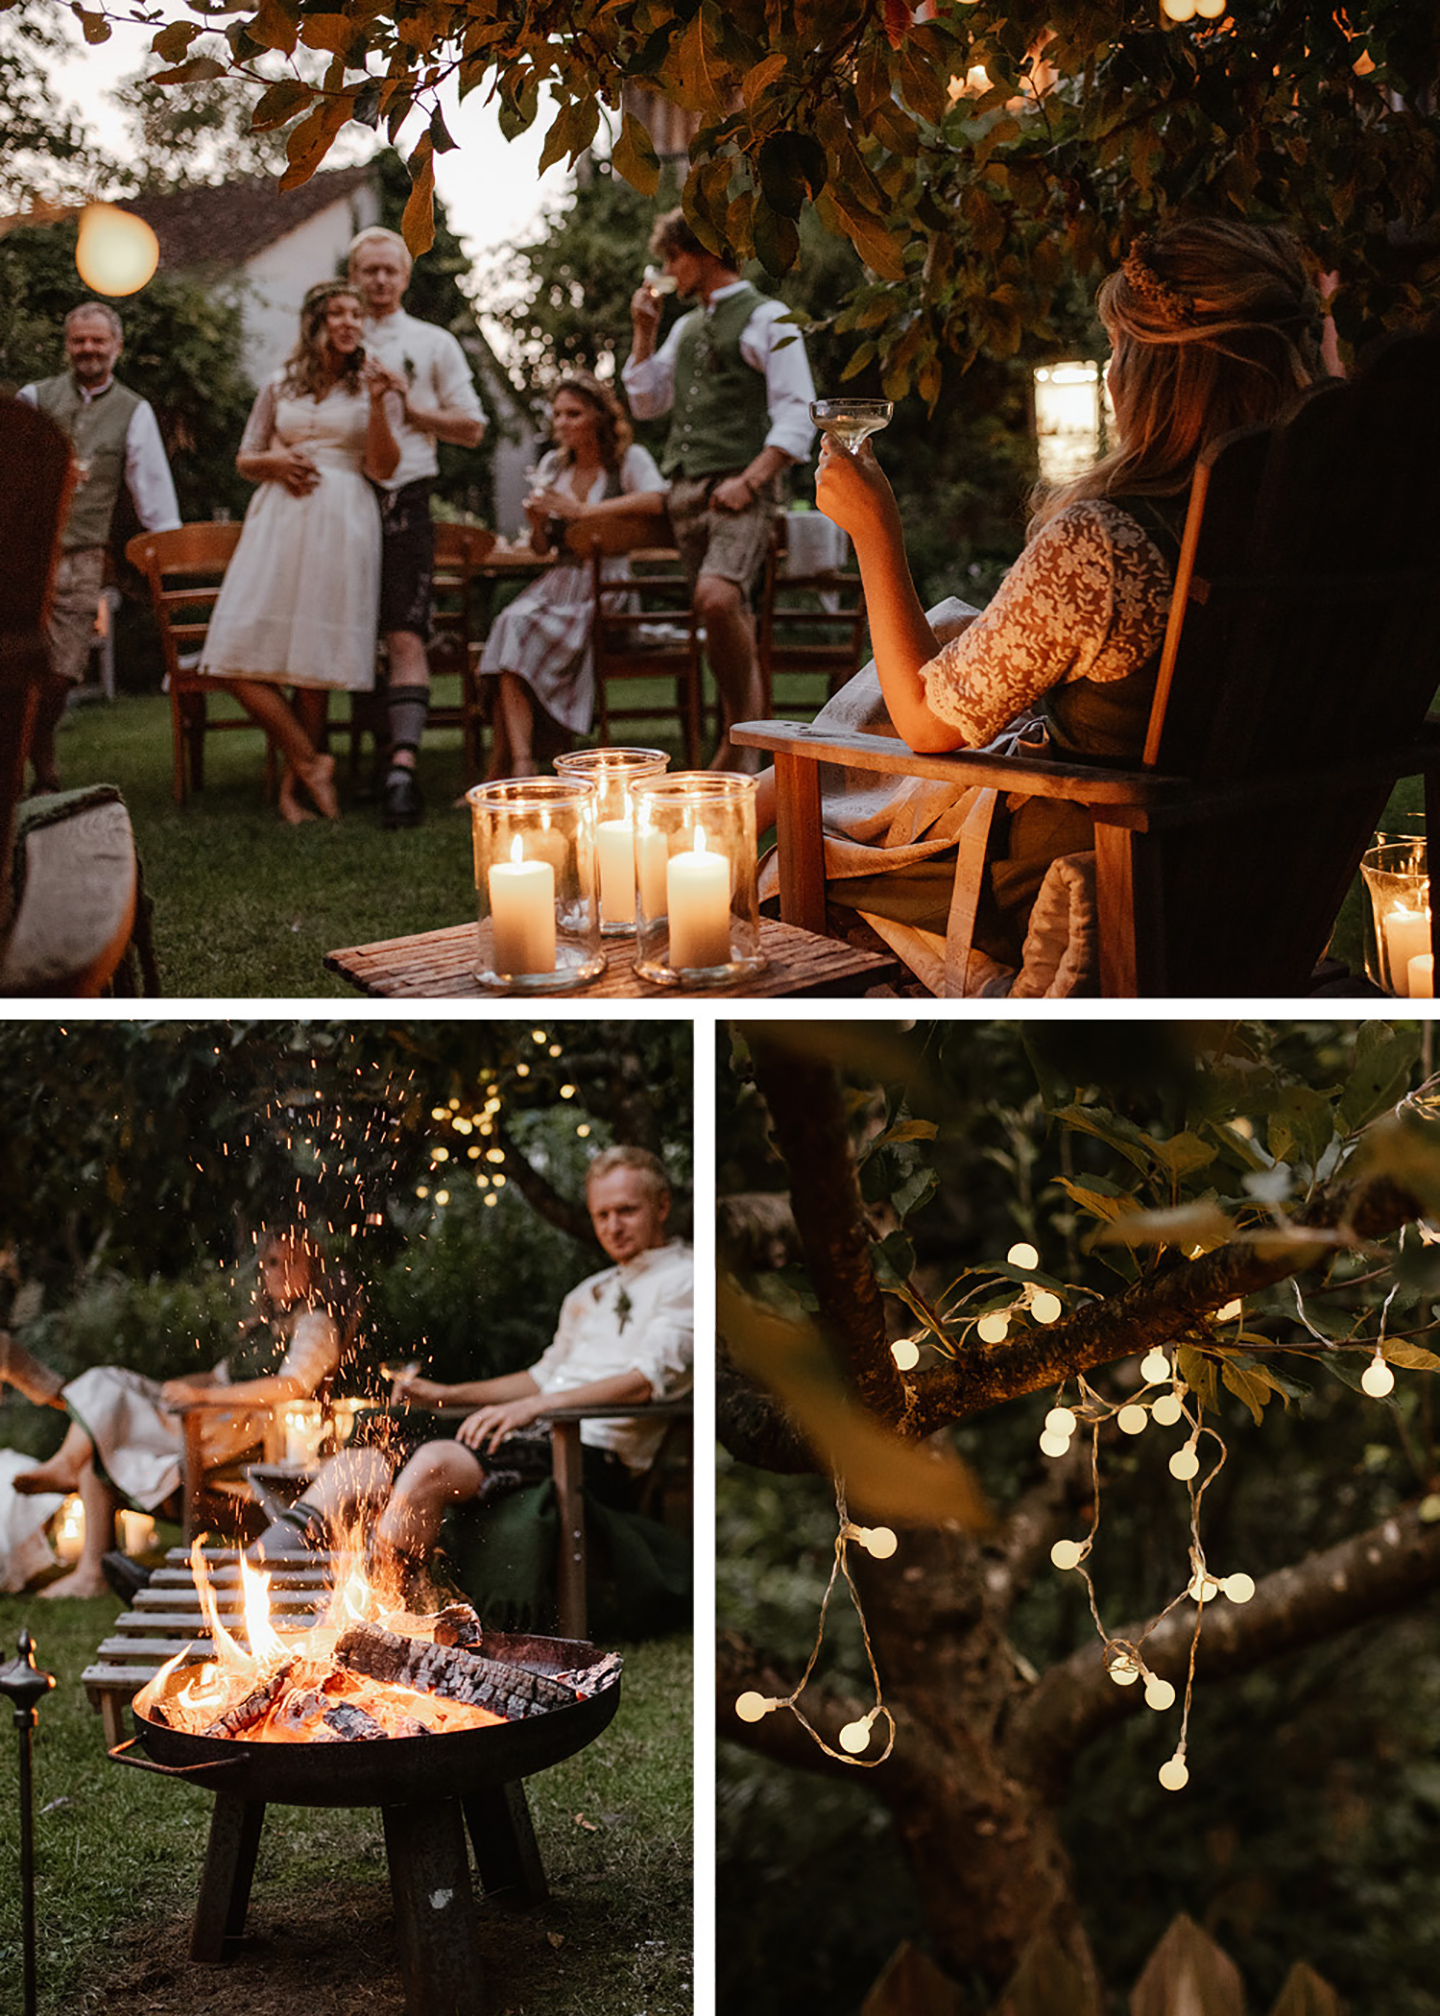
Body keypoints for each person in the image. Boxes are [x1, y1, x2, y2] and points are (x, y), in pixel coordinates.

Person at [786, 218, 1325, 986]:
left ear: (1157, 373)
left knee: (785, 862)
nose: (1109, 376)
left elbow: (926, 721)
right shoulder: (1311, 529)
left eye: (1118, 351)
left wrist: (876, 530)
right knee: (951, 627)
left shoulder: (1108, 545)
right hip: (1255, 883)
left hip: (1070, 880)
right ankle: (757, 802)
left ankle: (734, 824)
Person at [260, 1148, 692, 1620]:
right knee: (365, 1456)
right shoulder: (588, 1293)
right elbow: (539, 1378)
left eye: (626, 1210)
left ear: (662, 1207)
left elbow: (644, 1383)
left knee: (431, 1462)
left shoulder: (687, 1279)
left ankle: (373, 1616)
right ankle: (259, 1566)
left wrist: (538, 1408)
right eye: (602, 1214)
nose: (613, 1226)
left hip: (592, 1454)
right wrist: (446, 1394)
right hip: (536, 1436)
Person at [0, 1229, 351, 1598]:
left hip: (240, 1437)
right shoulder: (262, 1330)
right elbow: (217, 1377)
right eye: (271, 1263)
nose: (279, 1271)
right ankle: (85, 1546)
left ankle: (65, 1469)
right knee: (109, 1384)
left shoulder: (315, 1323)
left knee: (103, 1424)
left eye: (292, 1261)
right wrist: (165, 1389)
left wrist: (198, 1397)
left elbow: (291, 1387)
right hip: (212, 1416)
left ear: (315, 1268)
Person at [198, 282, 402, 822]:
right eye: (337, 312)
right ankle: (312, 762)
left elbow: (383, 468)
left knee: (312, 664)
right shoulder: (279, 383)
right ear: (315, 323)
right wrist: (276, 464)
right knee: (231, 653)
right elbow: (246, 456)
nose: (349, 322)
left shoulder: (373, 383)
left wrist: (381, 404)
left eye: (356, 314)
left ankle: (296, 791)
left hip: (343, 519)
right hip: (278, 519)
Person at [622, 210, 816, 772]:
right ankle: (749, 739)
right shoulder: (684, 327)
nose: (665, 271)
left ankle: (744, 738)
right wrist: (643, 332)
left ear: (706, 252)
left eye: (673, 258)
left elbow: (797, 412)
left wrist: (751, 480)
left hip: (739, 487)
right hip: (687, 492)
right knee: (724, 614)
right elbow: (647, 403)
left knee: (718, 597)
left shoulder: (769, 318)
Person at [347, 227, 489, 828]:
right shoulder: (333, 337)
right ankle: (350, 765)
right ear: (352, 276)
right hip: (340, 497)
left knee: (405, 631)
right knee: (346, 630)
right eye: (368, 270)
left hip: (407, 496)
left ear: (405, 277)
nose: (379, 280)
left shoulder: (432, 343)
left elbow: (473, 427)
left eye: (389, 270)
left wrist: (411, 406)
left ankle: (402, 769)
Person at [18, 303, 180, 794]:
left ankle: (38, 742)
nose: (87, 349)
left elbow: (152, 490)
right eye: (78, 341)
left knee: (63, 671)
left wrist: (168, 552)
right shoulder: (34, 397)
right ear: (67, 345)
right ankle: (35, 768)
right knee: (21, 664)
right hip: (26, 558)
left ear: (117, 347)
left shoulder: (134, 410)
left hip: (84, 557)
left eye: (97, 341)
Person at [479, 372, 666, 778]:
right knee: (510, 625)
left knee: (514, 626)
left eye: (573, 413)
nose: (561, 422)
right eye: (557, 414)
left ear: (598, 417)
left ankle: (511, 765)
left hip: (607, 583)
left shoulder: (628, 461)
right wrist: (538, 523)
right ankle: (521, 762)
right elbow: (541, 549)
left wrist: (583, 512)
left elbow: (657, 500)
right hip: (559, 580)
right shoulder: (552, 465)